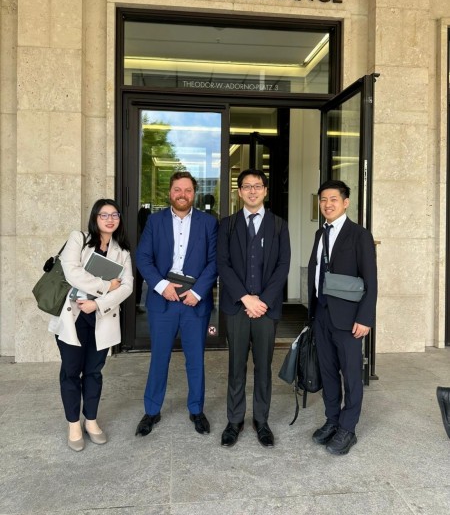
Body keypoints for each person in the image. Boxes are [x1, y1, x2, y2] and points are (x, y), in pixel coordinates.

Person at [135, 171, 218, 437]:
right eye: (177, 190)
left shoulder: (209, 223)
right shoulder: (154, 221)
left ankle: (196, 410)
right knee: (159, 358)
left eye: (188, 190)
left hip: (195, 301)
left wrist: (199, 292)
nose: (182, 195)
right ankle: (152, 410)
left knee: (195, 359)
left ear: (194, 193)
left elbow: (215, 261)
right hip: (163, 300)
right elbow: (143, 257)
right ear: (170, 193)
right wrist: (161, 286)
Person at [48, 199, 133, 451]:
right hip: (73, 317)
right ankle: (74, 424)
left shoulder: (122, 251)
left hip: (100, 317)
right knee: (71, 371)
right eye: (103, 215)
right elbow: (72, 272)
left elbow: (127, 286)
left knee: (94, 372)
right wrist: (106, 286)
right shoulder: (79, 239)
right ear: (95, 217)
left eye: (114, 215)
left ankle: (91, 420)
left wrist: (98, 304)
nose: (109, 219)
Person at [217, 168, 290, 448]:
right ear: (239, 192)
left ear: (265, 191)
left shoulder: (279, 225)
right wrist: (245, 298)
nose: (252, 191)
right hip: (237, 308)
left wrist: (263, 301)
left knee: (263, 367)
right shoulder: (227, 225)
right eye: (246, 186)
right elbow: (223, 264)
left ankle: (262, 421)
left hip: (266, 310)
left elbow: (283, 266)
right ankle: (234, 421)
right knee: (236, 366)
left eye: (257, 186)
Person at [307, 180, 377, 455]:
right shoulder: (319, 233)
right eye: (323, 199)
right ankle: (332, 420)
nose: (327, 204)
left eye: (333, 199)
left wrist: (365, 317)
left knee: (351, 374)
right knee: (328, 372)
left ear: (346, 203)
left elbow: (371, 280)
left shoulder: (359, 235)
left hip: (349, 319)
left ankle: (348, 428)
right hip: (322, 314)